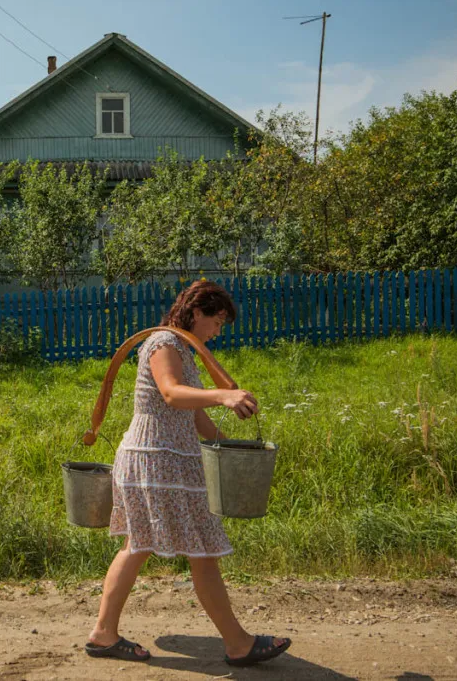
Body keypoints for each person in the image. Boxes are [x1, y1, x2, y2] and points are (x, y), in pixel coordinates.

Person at [85, 280, 291, 667]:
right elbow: (171, 393)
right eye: (217, 322)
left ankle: (104, 633)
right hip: (153, 459)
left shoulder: (185, 349)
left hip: (171, 461)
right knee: (190, 548)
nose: (218, 331)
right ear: (197, 313)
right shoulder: (163, 343)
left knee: (158, 546)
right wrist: (223, 394)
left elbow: (193, 414)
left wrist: (230, 448)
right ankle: (237, 643)